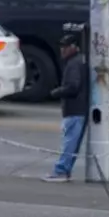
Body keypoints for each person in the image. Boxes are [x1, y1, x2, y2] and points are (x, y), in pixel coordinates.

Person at [43, 33, 90, 183]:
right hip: (79, 108)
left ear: (74, 47)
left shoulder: (73, 64)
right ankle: (64, 170)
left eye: (66, 47)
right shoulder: (80, 61)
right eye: (62, 46)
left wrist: (55, 92)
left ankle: (61, 171)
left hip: (74, 108)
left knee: (69, 143)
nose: (62, 50)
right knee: (72, 143)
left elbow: (73, 86)